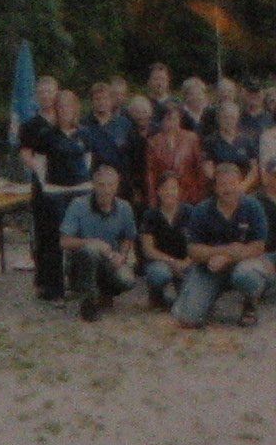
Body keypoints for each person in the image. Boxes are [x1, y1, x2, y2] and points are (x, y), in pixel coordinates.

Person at [176, 159, 273, 329]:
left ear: (240, 183)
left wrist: (227, 258)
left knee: (247, 275)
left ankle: (250, 304)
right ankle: (208, 298)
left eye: (232, 184)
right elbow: (193, 250)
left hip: (243, 265)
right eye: (222, 184)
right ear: (215, 187)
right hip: (209, 268)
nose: (227, 189)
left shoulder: (253, 206)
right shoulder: (201, 210)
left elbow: (258, 247)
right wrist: (224, 251)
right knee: (188, 319)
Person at [21, 86, 92, 300]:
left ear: (75, 108)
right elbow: (39, 164)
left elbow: (88, 160)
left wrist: (84, 184)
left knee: (80, 238)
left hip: (81, 192)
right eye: (60, 106)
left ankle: (80, 284)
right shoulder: (46, 135)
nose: (65, 110)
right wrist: (48, 188)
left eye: (69, 106)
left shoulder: (84, 133)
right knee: (54, 239)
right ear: (56, 109)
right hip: (55, 194)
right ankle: (54, 288)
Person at [57, 162, 137, 320]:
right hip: (81, 263)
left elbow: (128, 237)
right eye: (101, 185)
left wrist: (122, 256)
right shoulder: (78, 205)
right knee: (91, 251)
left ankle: (105, 292)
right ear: (93, 185)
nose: (106, 190)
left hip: (110, 259)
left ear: (117, 186)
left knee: (127, 280)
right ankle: (88, 303)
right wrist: (91, 242)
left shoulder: (125, 208)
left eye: (110, 185)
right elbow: (64, 242)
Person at [76, 80, 141, 200]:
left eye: (105, 98)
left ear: (112, 100)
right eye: (97, 99)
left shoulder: (125, 124)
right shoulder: (82, 126)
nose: (101, 102)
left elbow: (135, 156)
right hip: (92, 186)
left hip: (121, 186)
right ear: (91, 102)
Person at [139, 171, 192, 310]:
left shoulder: (190, 212)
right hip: (161, 263)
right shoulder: (150, 215)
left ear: (179, 191)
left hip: (185, 263)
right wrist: (171, 262)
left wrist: (185, 263)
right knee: (159, 274)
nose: (169, 192)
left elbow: (198, 244)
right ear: (158, 191)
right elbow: (148, 250)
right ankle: (156, 297)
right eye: (165, 188)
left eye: (173, 188)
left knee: (188, 302)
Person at [143, 100, 209, 209]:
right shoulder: (153, 142)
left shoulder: (191, 138)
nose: (172, 123)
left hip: (190, 197)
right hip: (165, 198)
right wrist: (153, 201)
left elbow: (199, 169)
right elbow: (151, 175)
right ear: (161, 120)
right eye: (168, 119)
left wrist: (200, 197)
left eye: (175, 119)